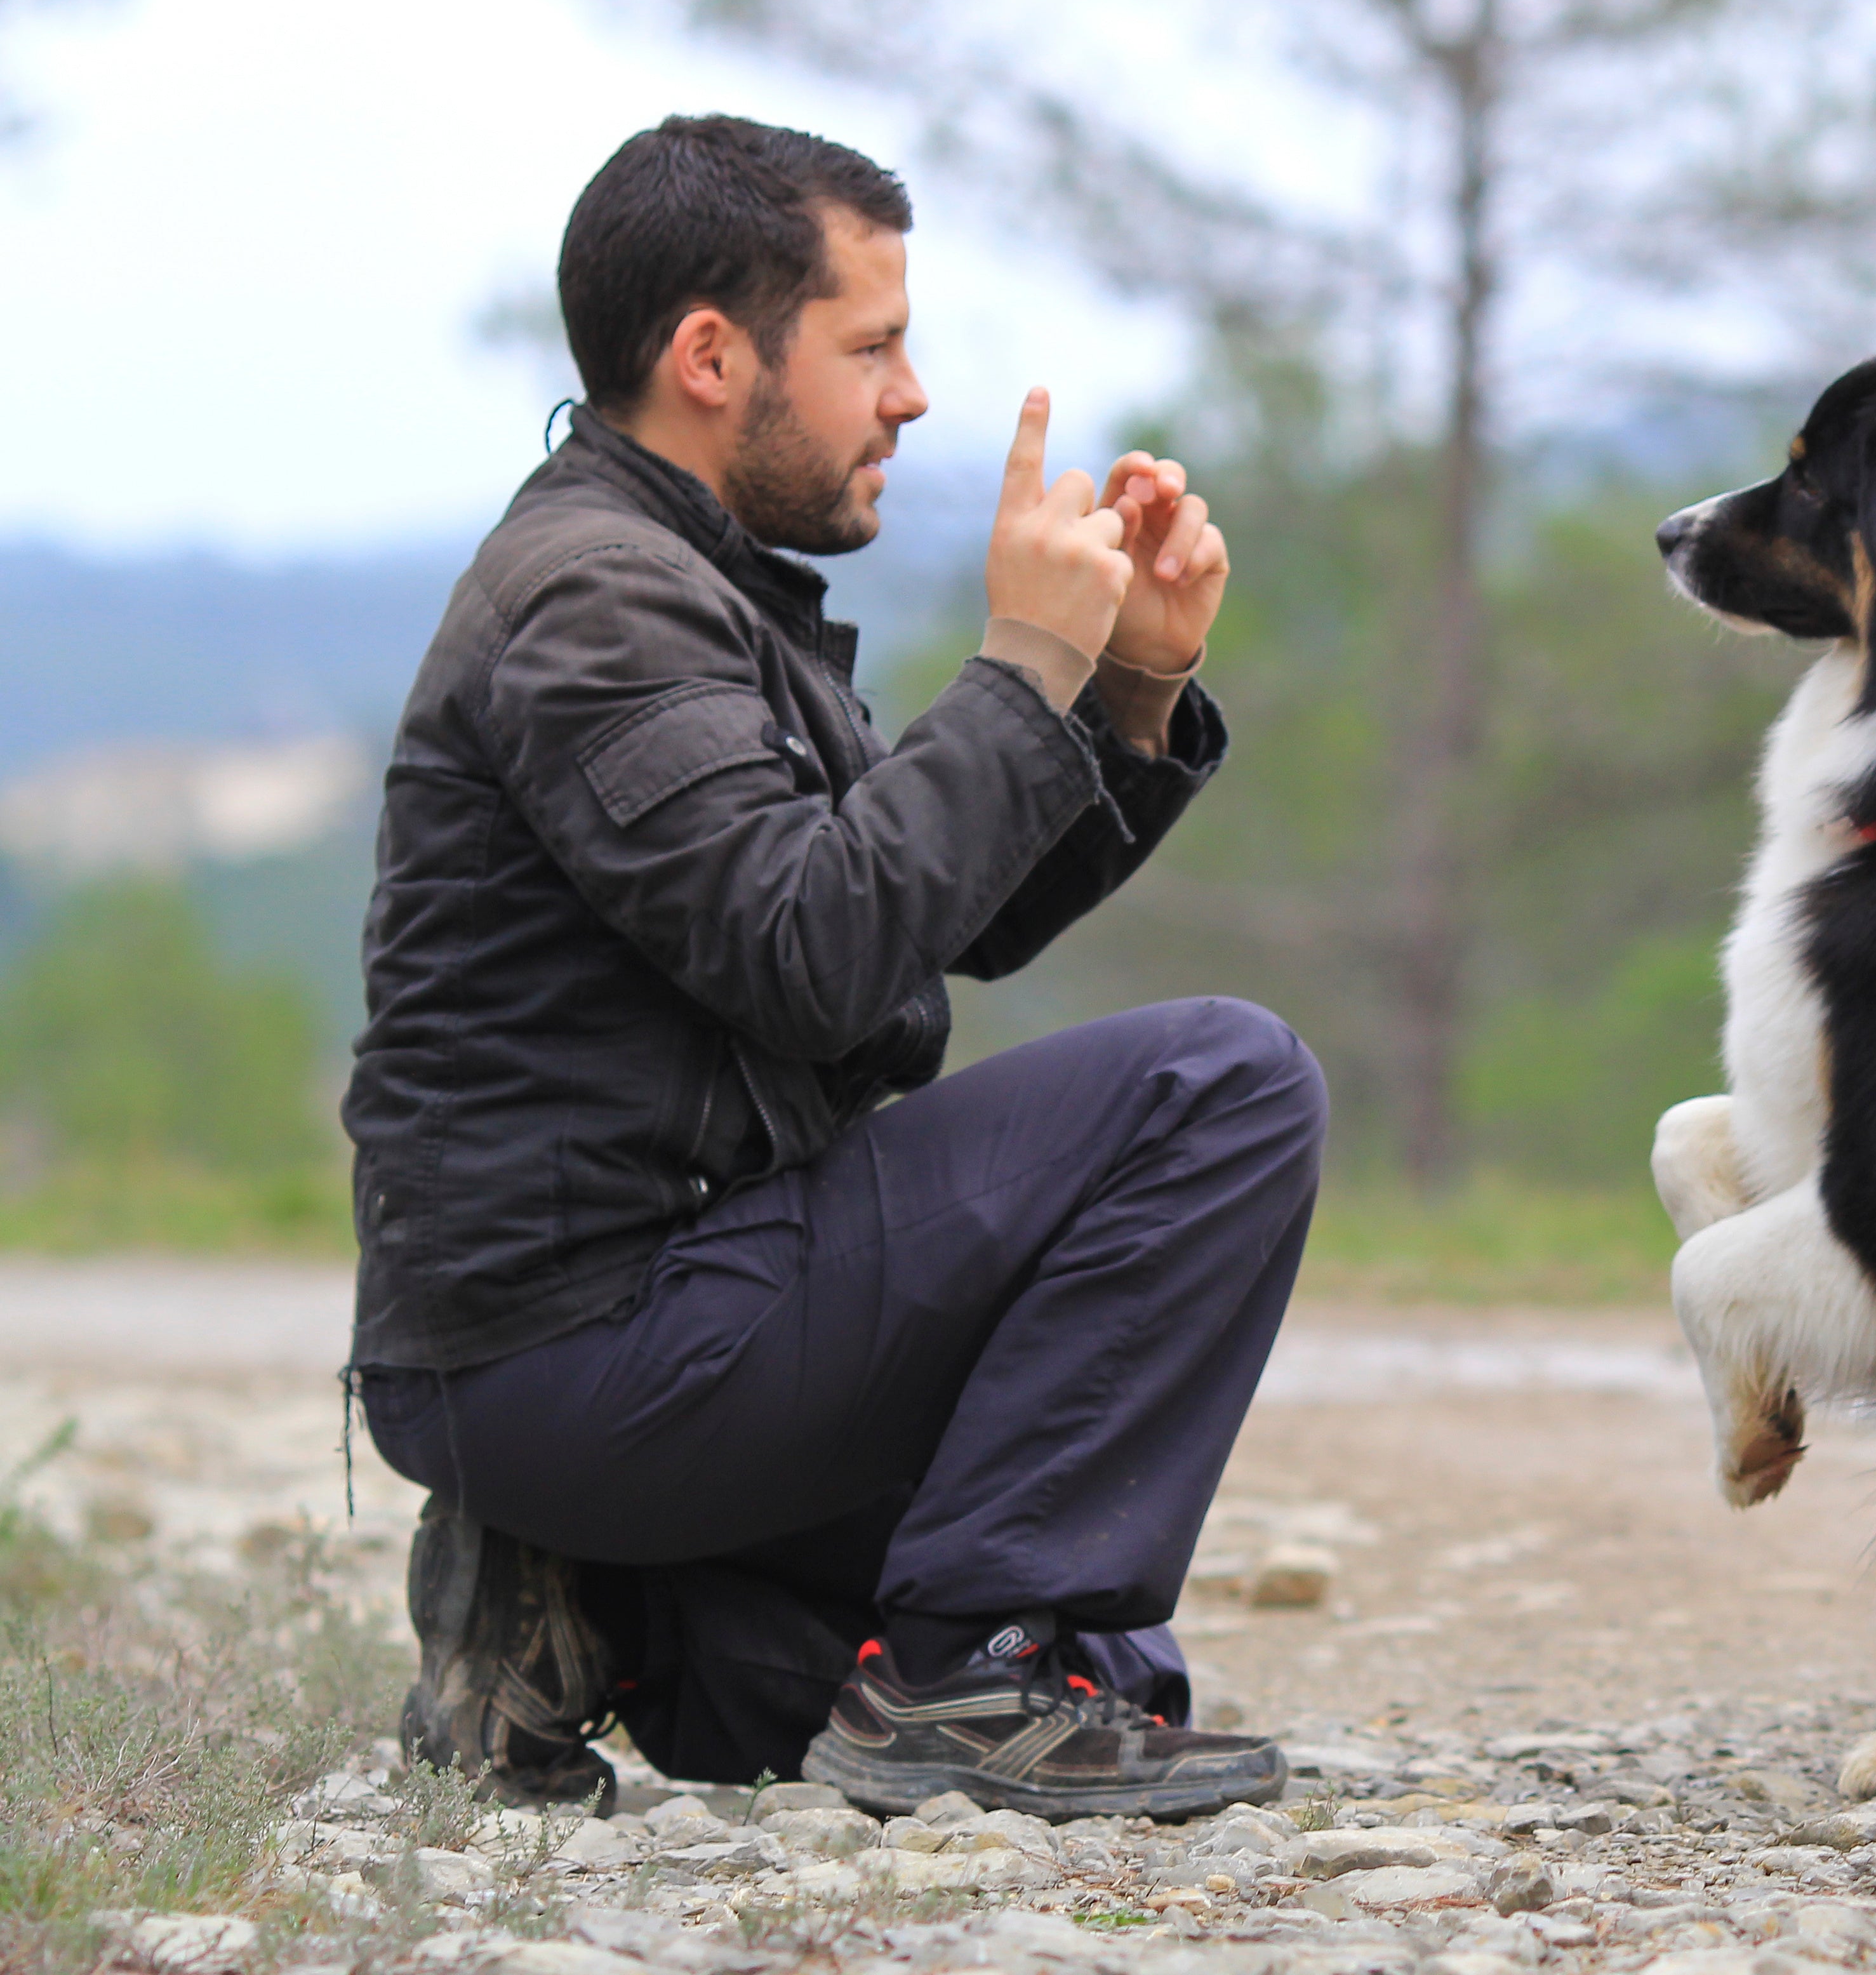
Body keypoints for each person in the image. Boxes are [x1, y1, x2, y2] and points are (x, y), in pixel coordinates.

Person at [343, 114, 1326, 1822]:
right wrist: (1024, 658)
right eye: (871, 345)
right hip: (601, 1334)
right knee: (1222, 1083)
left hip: (637, 1338)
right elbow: (822, 956)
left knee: (1103, 1663)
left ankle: (580, 1606)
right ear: (711, 355)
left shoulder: (688, 582)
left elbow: (932, 914)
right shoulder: (596, 606)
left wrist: (1125, 698)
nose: (912, 393)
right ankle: (933, 1686)